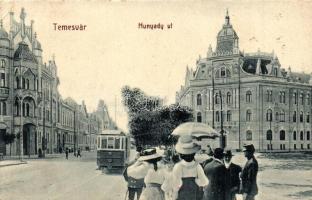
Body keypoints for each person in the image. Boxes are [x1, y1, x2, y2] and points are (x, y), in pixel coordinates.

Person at [171, 135, 208, 200]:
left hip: (182, 193)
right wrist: (196, 181)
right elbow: (204, 182)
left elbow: (175, 184)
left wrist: (174, 197)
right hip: (194, 192)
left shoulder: (178, 166)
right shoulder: (197, 165)